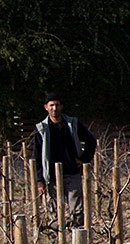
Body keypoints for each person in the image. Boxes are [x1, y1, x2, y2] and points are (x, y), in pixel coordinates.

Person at [32, 92, 97, 228]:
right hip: (51, 177)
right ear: (46, 107)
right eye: (51, 105)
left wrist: (84, 159)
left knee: (77, 210)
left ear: (61, 107)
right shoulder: (41, 129)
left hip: (72, 173)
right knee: (53, 211)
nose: (54, 108)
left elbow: (91, 140)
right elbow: (37, 156)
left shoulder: (72, 124)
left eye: (57, 105)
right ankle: (56, 238)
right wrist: (40, 180)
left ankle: (77, 239)